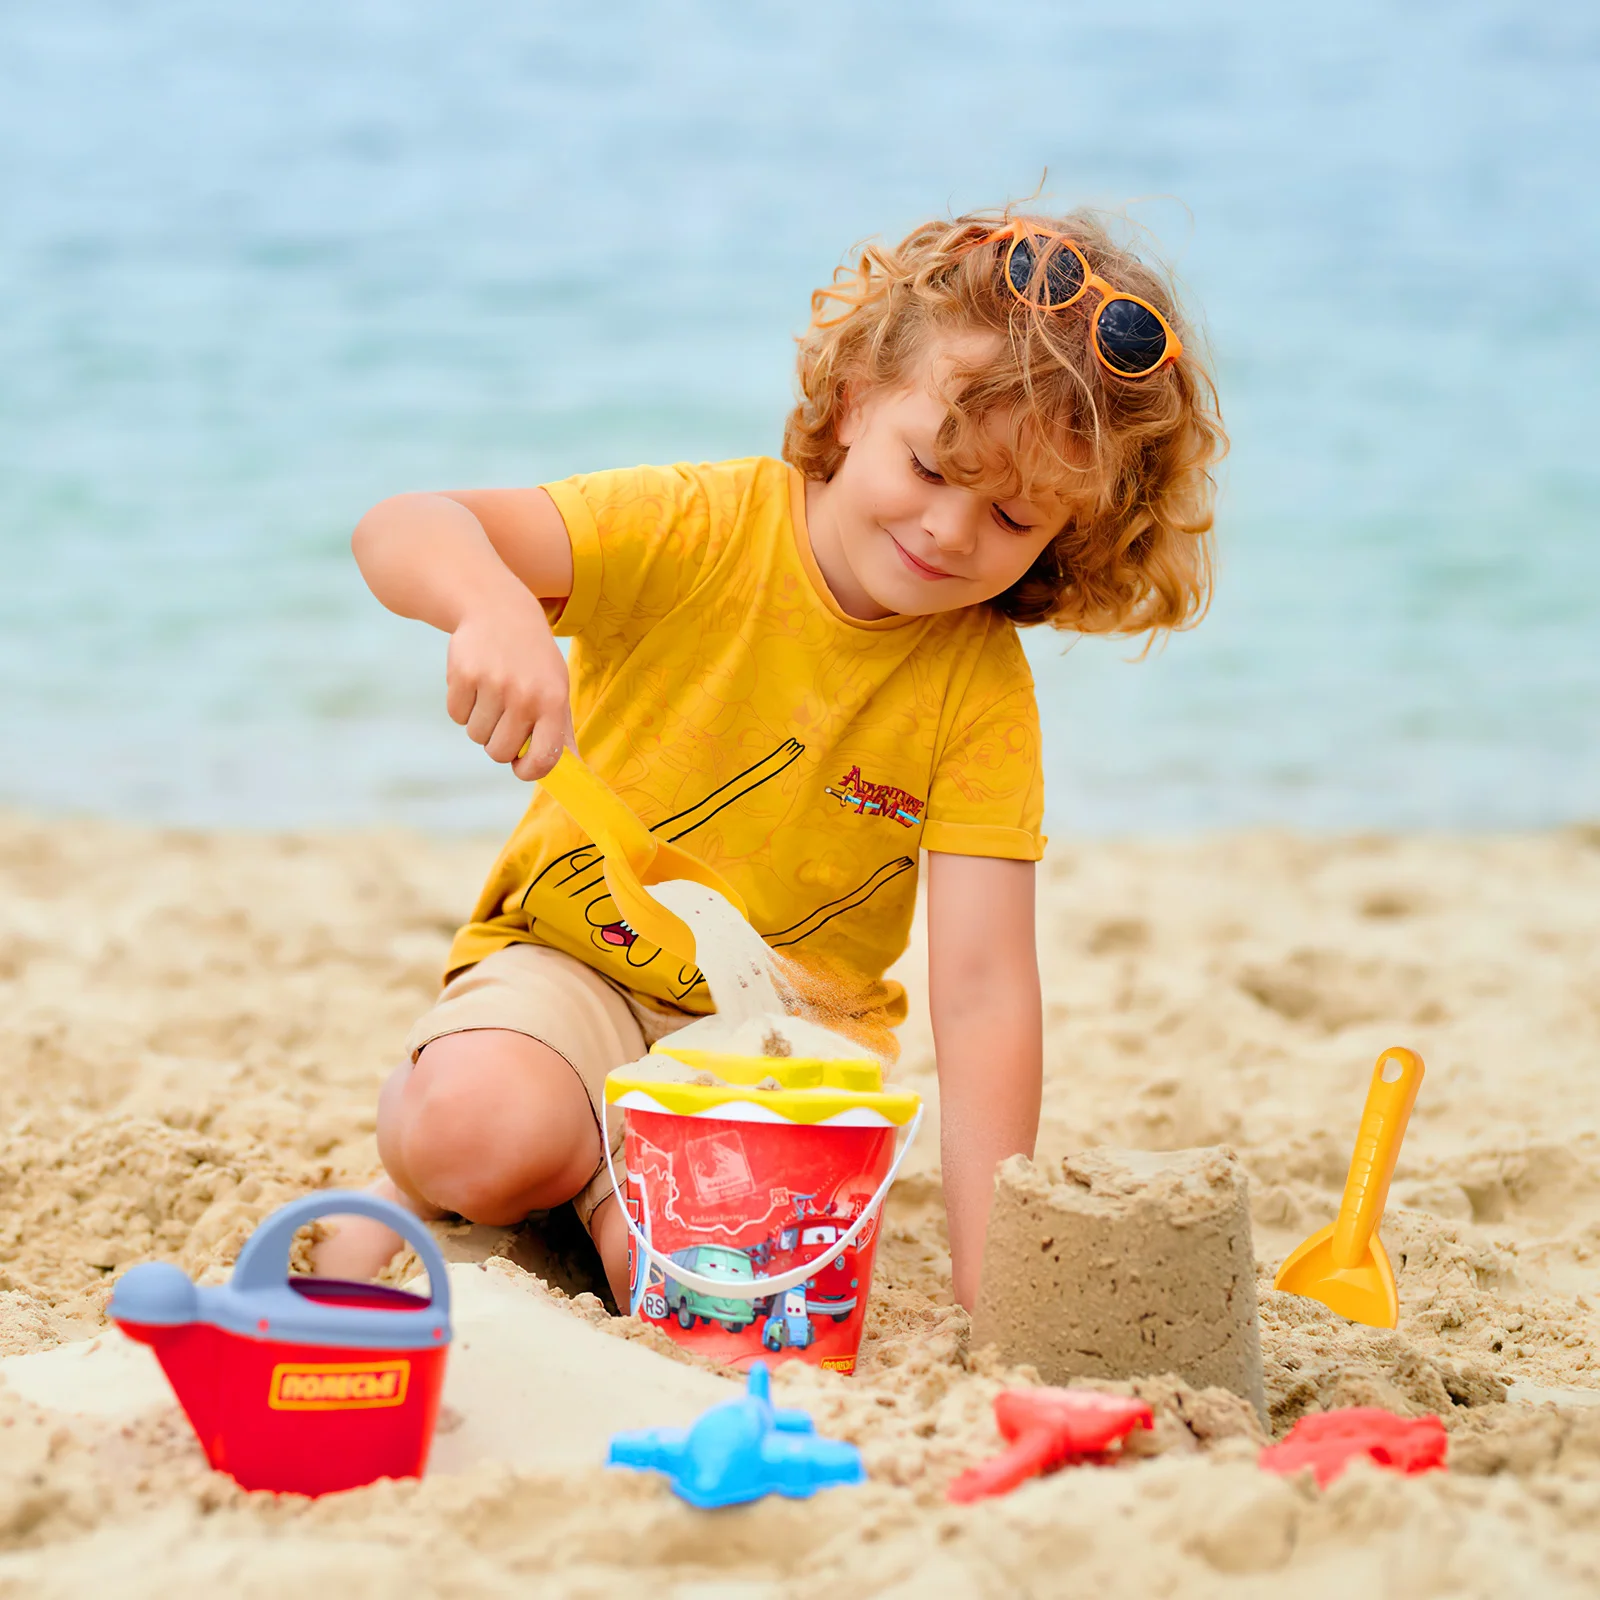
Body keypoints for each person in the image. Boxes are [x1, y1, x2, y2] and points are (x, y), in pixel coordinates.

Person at [313, 207, 1224, 1310]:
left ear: (1065, 536)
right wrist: (495, 605)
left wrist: (998, 1297)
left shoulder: (977, 690)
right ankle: (474, 1138)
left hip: (768, 1059)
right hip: (572, 969)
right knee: (472, 1136)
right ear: (852, 402)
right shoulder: (702, 528)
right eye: (931, 466)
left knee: (725, 1311)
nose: (947, 531)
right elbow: (405, 526)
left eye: (1013, 517)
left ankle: (601, 1184)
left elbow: (983, 992)